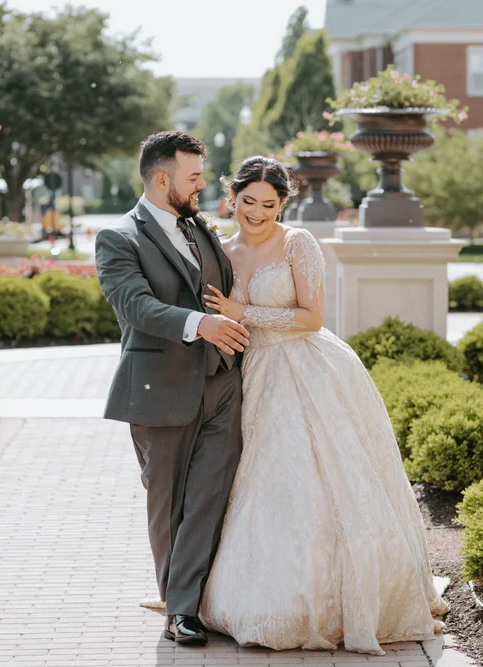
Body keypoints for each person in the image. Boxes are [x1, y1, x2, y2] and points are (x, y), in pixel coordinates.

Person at [198, 156, 449, 656]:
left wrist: (242, 311)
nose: (257, 213)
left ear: (282, 203)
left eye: (269, 205)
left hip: (306, 368)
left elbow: (312, 318)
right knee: (258, 480)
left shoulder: (298, 244)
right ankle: (254, 594)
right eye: (248, 202)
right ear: (233, 196)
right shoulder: (221, 252)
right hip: (252, 375)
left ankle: (334, 600)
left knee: (313, 474)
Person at [94, 131, 249, 647]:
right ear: (163, 179)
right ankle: (179, 607)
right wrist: (198, 324)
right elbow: (134, 306)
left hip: (224, 383)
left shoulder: (200, 228)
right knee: (168, 504)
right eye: (194, 176)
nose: (204, 185)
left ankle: (186, 607)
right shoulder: (118, 238)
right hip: (159, 388)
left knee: (208, 498)